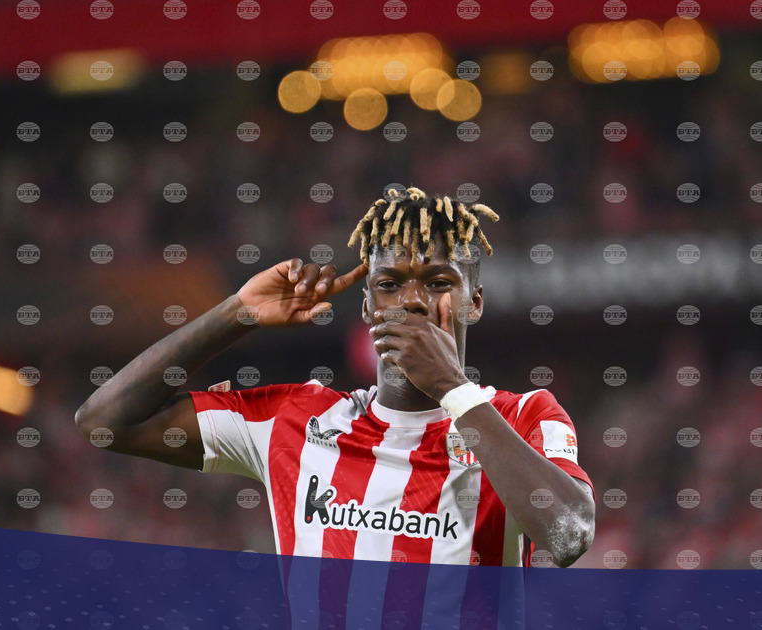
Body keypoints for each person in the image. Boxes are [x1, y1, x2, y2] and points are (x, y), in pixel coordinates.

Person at [75, 186, 595, 567]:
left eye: (439, 282)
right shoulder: (294, 421)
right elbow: (104, 422)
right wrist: (237, 314)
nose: (413, 301)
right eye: (389, 284)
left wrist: (451, 389)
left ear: (473, 303)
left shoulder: (523, 416)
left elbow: (569, 535)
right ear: (366, 305)